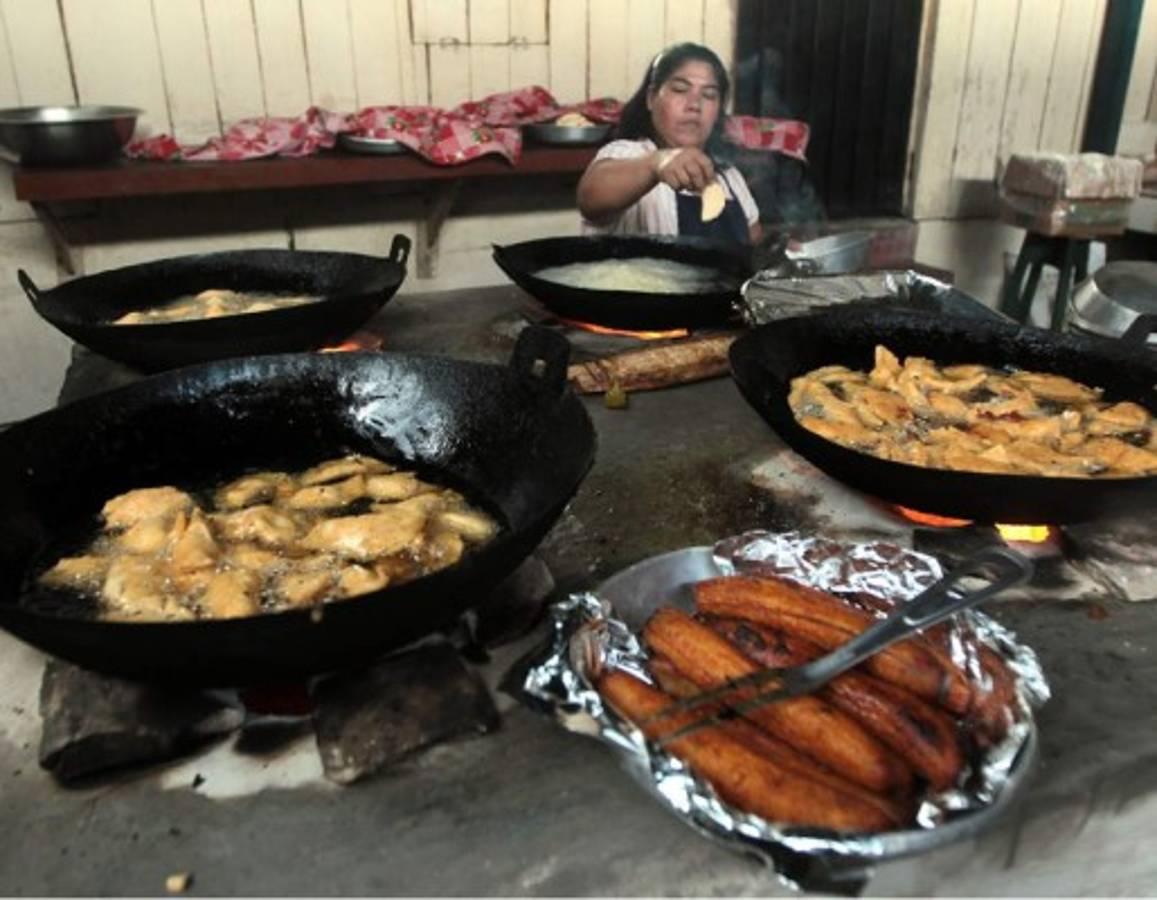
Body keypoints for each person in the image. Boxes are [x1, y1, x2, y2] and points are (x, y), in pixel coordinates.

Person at [577, 43, 763, 246]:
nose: (694, 105)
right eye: (680, 90)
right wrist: (657, 164)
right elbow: (590, 198)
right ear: (650, 98)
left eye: (709, 95)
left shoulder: (730, 177)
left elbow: (755, 249)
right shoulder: (629, 154)